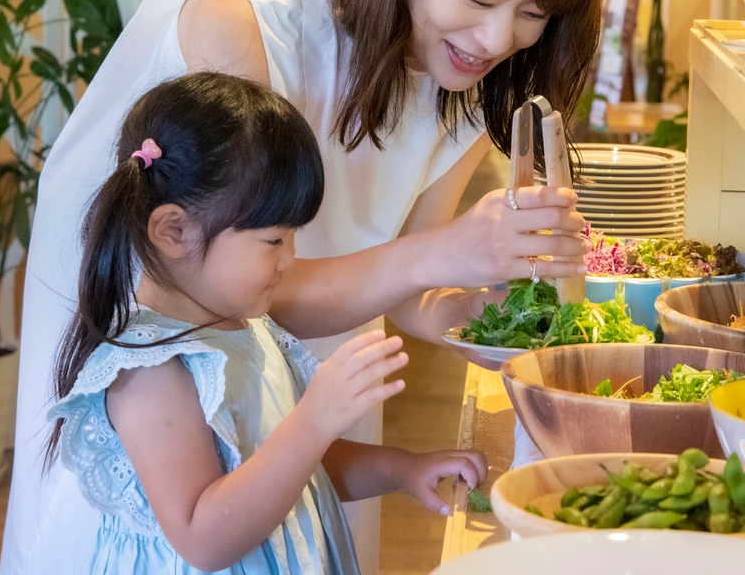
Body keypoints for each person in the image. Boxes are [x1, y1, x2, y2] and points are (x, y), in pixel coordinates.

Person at [3, 0, 602, 573]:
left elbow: (403, 276)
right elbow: (253, 291)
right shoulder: (245, 23)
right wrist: (441, 254)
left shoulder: (473, 76)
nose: (495, 39)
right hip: (178, 355)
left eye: (534, 15)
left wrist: (464, 311)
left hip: (285, 379)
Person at [42, 72, 487, 573]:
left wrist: (404, 468)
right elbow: (203, 539)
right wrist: (314, 418)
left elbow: (298, 469)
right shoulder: (151, 373)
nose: (289, 258)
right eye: (274, 241)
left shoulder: (244, 326)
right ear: (174, 230)